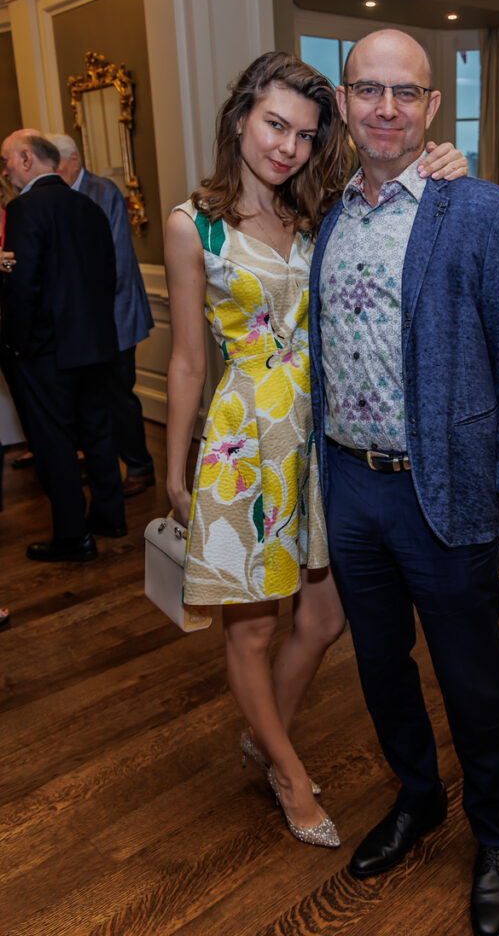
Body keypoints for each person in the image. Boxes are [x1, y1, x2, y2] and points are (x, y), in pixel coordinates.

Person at [164, 51, 467, 851]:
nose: (287, 146)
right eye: (274, 124)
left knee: (325, 615)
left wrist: (446, 159)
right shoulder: (191, 222)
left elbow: (399, 199)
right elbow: (190, 358)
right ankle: (290, 776)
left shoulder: (321, 211)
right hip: (244, 443)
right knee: (252, 631)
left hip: (324, 433)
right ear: (239, 119)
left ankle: (267, 737)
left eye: (303, 133)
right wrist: (173, 469)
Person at [308, 30, 499, 936]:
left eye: (406, 93)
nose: (386, 108)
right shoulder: (325, 210)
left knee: (472, 679)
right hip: (351, 484)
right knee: (380, 667)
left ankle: (495, 838)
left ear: (432, 107)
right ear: (344, 100)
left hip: (444, 486)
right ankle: (417, 797)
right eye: (368, 89)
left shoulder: (479, 208)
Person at [0, 129, 125, 561]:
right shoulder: (88, 206)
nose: (5, 171)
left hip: (47, 351)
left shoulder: (22, 210)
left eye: (7, 161)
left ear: (27, 159)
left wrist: (16, 344)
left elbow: (22, 287)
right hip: (96, 343)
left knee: (53, 441)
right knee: (98, 431)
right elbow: (108, 275)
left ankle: (73, 536)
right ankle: (110, 517)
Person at [47, 133, 156, 493]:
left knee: (118, 394)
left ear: (73, 160)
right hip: (86, 318)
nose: (51, 170)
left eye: (55, 162)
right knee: (91, 397)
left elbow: (117, 263)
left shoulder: (102, 191)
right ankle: (102, 464)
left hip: (115, 314)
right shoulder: (57, 195)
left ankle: (140, 467)